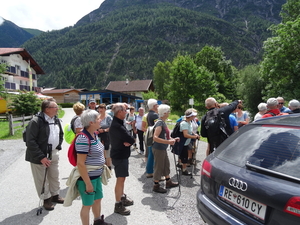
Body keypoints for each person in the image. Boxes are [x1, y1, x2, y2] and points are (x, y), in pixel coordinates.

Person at [72, 109, 111, 225]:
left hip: (96, 176)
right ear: (91, 122)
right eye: (98, 119)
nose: (101, 120)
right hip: (88, 178)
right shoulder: (83, 138)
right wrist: (88, 183)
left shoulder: (93, 134)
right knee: (87, 205)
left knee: (98, 199)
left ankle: (98, 220)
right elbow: (80, 163)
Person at [25, 98, 64, 211]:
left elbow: (60, 134)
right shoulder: (36, 121)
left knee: (54, 175)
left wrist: (58, 146)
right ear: (47, 109)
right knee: (41, 179)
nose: (57, 109)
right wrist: (41, 157)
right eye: (55, 107)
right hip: (39, 155)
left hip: (53, 152)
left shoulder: (56, 119)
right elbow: (30, 141)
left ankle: (55, 195)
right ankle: (46, 199)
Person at [109, 103, 135, 216]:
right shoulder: (116, 125)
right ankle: (118, 204)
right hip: (119, 155)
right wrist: (129, 141)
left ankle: (122, 197)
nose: (127, 112)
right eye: (125, 110)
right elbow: (130, 138)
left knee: (122, 178)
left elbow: (129, 138)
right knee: (120, 179)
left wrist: (128, 141)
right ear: (119, 112)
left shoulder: (119, 122)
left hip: (122, 155)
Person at [152, 104, 179, 193]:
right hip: (158, 148)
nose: (169, 113)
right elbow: (155, 137)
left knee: (166, 165)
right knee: (159, 166)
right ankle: (156, 185)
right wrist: (168, 142)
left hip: (162, 147)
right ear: (164, 113)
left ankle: (168, 181)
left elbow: (164, 136)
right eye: (168, 111)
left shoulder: (162, 122)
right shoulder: (159, 123)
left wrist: (173, 139)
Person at [142, 99, 159, 178]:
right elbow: (158, 127)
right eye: (157, 105)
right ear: (154, 106)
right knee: (154, 155)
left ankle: (149, 171)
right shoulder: (155, 115)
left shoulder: (148, 114)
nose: (158, 106)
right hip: (154, 136)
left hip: (149, 135)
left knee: (150, 154)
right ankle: (153, 172)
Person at [179, 109, 200, 175]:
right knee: (184, 156)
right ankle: (184, 170)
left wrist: (194, 134)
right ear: (190, 116)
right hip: (183, 143)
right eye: (194, 116)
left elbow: (190, 131)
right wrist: (194, 137)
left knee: (185, 155)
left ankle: (183, 167)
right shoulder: (184, 123)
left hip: (187, 142)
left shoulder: (189, 122)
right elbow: (185, 135)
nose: (195, 117)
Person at [97, 103, 113, 170]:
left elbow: (112, 127)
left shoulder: (108, 117)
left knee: (107, 150)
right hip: (98, 135)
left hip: (107, 135)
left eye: (102, 108)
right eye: (99, 108)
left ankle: (109, 166)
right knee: (100, 150)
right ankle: (103, 166)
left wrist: (104, 130)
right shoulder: (97, 117)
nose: (100, 110)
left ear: (105, 109)